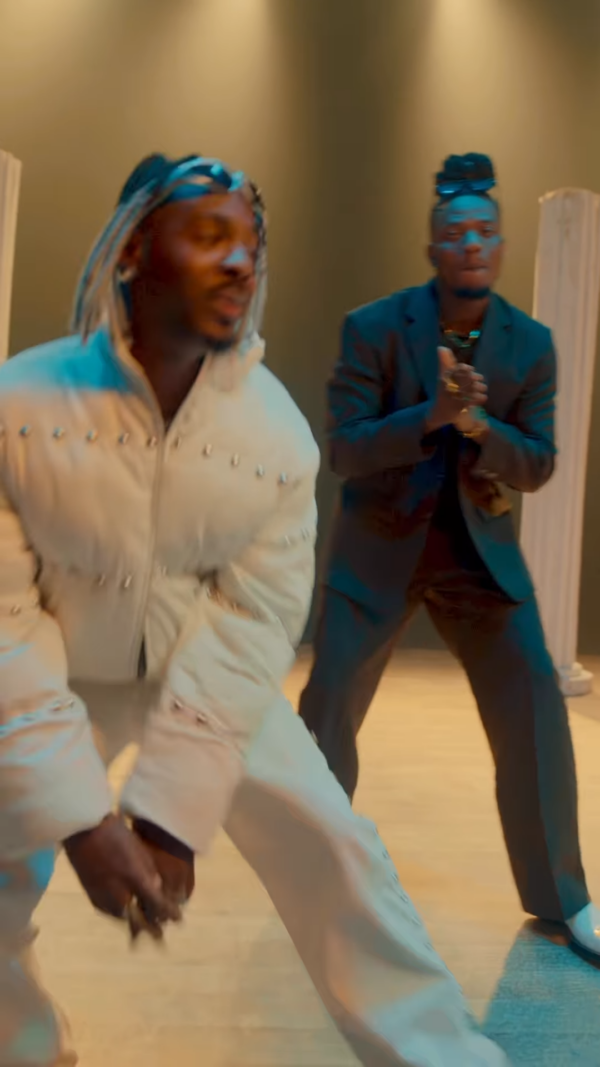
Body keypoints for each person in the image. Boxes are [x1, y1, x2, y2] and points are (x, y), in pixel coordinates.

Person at [0, 153, 509, 1067]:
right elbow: (4, 625)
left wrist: (172, 808)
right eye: (208, 235)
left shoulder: (273, 433)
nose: (240, 261)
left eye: (251, 244)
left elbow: (251, 618)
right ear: (130, 250)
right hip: (52, 666)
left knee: (335, 851)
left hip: (204, 669)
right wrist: (80, 816)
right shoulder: (19, 407)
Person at [299, 152, 600, 964]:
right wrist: (430, 415)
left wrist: (477, 427)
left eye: (485, 231)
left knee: (535, 701)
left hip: (479, 560)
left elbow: (537, 462)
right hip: (379, 549)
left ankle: (564, 898)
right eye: (456, 231)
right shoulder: (373, 327)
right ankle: (314, 877)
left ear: (501, 246)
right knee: (328, 708)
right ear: (432, 246)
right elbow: (345, 449)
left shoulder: (530, 344)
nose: (472, 243)